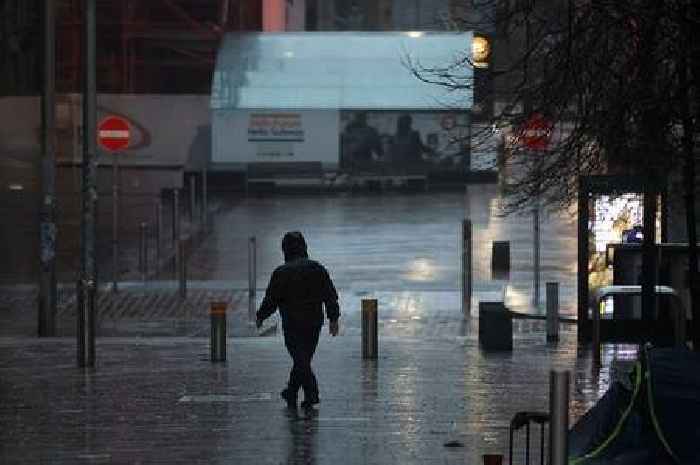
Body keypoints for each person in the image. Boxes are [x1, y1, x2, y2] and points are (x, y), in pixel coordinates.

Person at [256, 231, 340, 410]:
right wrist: (333, 318)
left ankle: (312, 393)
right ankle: (292, 390)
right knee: (303, 358)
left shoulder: (281, 272)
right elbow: (330, 295)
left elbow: (271, 299)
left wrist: (261, 315)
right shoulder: (316, 268)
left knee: (300, 358)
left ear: (285, 250)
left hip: (292, 323)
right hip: (313, 323)